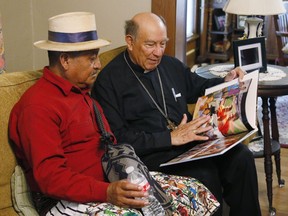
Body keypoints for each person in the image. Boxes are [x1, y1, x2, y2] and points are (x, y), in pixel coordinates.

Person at [92, 12, 261, 216]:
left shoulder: (170, 65)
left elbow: (199, 87)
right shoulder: (108, 82)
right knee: (205, 175)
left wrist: (226, 80)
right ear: (130, 41)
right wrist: (170, 138)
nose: (158, 52)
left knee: (242, 157)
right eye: (150, 45)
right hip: (152, 156)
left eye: (162, 44)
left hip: (190, 145)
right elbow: (118, 140)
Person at [9, 12, 148, 216]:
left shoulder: (81, 92)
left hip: (104, 188)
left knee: (186, 191)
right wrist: (107, 192)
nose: (99, 64)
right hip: (63, 202)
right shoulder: (38, 106)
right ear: (65, 60)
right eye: (92, 58)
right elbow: (50, 178)